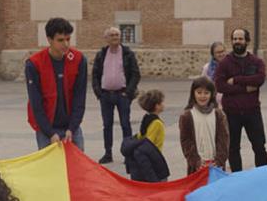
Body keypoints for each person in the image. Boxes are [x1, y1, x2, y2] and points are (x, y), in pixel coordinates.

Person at [26, 17, 87, 150]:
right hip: (46, 128)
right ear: (49, 40)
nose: (65, 44)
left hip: (71, 127)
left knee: (76, 167)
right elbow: (36, 103)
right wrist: (50, 133)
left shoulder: (79, 60)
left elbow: (79, 98)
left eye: (68, 39)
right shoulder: (34, 64)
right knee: (49, 169)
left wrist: (72, 128)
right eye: (60, 40)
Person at [214, 28, 267, 171]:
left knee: (259, 146)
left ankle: (263, 175)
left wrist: (236, 79)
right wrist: (244, 88)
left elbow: (260, 79)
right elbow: (219, 85)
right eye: (235, 39)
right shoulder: (225, 63)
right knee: (233, 147)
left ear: (247, 41)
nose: (237, 41)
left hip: (253, 112)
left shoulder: (256, 62)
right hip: (232, 113)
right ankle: (237, 176)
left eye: (240, 39)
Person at [92, 26, 141, 165]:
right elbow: (95, 74)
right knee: (107, 125)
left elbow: (135, 73)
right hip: (105, 95)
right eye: (112, 35)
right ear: (106, 38)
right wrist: (98, 92)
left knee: (125, 124)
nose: (115, 37)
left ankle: (128, 154)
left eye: (117, 35)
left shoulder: (127, 53)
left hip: (122, 95)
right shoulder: (101, 54)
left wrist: (128, 92)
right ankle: (108, 153)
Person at [179, 76, 229, 173]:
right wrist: (196, 161)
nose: (202, 96)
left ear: (212, 94)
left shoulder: (218, 115)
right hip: (197, 167)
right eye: (199, 92)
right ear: (193, 94)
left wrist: (219, 160)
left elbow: (224, 139)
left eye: (206, 93)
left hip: (216, 165)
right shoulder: (187, 116)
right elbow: (186, 141)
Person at [122, 90, 169, 182]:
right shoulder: (157, 123)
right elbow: (149, 142)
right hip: (153, 159)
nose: (163, 104)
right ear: (157, 106)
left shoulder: (146, 118)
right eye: (161, 103)